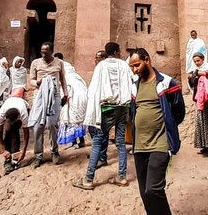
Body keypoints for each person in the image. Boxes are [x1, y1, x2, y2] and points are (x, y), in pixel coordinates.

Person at [129, 48, 184, 215]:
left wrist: (167, 129)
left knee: (153, 190)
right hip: (140, 146)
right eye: (132, 67)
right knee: (145, 195)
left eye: (137, 65)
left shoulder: (167, 83)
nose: (134, 70)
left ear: (147, 60)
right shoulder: (135, 86)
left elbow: (178, 111)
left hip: (161, 145)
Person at [73, 42, 133, 190]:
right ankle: (122, 177)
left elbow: (94, 88)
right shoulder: (124, 65)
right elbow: (131, 82)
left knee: (98, 141)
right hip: (123, 107)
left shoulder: (101, 66)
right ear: (117, 51)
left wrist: (93, 111)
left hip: (107, 108)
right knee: (120, 142)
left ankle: (88, 179)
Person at [28, 42, 68, 168]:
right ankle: (38, 155)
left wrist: (65, 94)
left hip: (54, 96)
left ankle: (54, 152)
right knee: (37, 126)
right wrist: (37, 83)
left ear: (52, 51)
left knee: (52, 125)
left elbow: (63, 79)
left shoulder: (59, 63)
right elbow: (31, 80)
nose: (43, 54)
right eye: (42, 52)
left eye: (46, 52)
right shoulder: (36, 63)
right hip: (39, 95)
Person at [188, 52, 208, 157]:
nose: (197, 63)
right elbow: (191, 82)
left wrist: (198, 73)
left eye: (198, 61)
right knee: (202, 122)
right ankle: (205, 146)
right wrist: (195, 75)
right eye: (195, 61)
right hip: (199, 100)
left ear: (203, 59)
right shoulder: (195, 70)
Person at [0, 96, 30, 175]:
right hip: (10, 103)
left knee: (15, 131)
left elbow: (26, 134)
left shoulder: (24, 114)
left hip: (23, 106)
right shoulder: (1, 114)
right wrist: (3, 150)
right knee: (8, 131)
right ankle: (8, 158)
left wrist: (24, 151)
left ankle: (15, 157)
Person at [58, 60, 88, 148]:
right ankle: (79, 142)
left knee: (71, 122)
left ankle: (76, 142)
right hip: (80, 104)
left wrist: (61, 103)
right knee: (77, 123)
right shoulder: (78, 78)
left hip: (71, 103)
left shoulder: (67, 79)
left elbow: (65, 94)